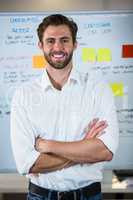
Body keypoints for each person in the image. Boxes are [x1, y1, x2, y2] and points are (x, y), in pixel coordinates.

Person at [11, 14, 119, 200]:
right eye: (50, 41)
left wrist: (47, 145)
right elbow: (28, 165)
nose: (58, 47)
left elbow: (105, 151)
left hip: (89, 196)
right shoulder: (24, 94)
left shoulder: (98, 89)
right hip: (40, 196)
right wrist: (85, 146)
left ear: (75, 44)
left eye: (64, 40)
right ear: (40, 46)